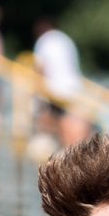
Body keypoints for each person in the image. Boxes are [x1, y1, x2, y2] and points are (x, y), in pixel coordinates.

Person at [33, 17, 91, 149]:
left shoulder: (44, 40)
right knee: (72, 123)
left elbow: (41, 68)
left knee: (56, 122)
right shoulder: (66, 40)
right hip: (74, 87)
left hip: (56, 89)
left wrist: (38, 91)